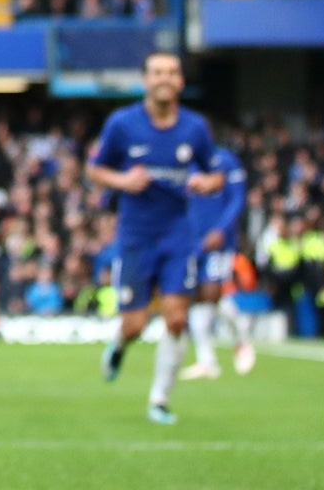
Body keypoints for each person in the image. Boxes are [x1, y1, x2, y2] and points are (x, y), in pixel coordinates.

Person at [86, 53, 226, 425]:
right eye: (158, 73)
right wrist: (123, 182)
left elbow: (217, 176)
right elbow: (95, 168)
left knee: (176, 319)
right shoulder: (122, 124)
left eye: (172, 72)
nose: (165, 78)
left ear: (180, 81)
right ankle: (119, 346)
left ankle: (159, 400)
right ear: (145, 80)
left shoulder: (195, 128)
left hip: (178, 234)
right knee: (134, 324)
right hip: (136, 235)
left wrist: (204, 182)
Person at [180, 140, 251, 380]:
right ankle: (207, 360)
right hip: (191, 241)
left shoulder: (225, 160)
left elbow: (237, 198)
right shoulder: (184, 163)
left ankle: (241, 339)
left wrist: (221, 229)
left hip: (219, 240)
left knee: (212, 291)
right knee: (196, 296)